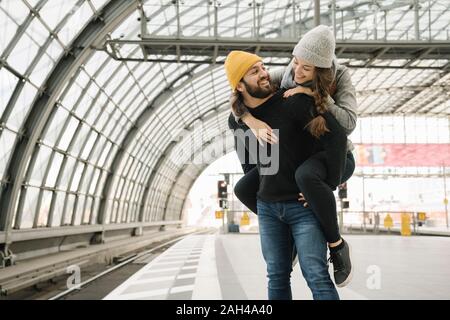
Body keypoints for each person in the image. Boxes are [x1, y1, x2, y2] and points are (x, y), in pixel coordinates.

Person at [231, 25, 356, 287]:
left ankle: (337, 246)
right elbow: (244, 90)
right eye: (295, 62)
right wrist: (249, 119)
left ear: (320, 71)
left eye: (305, 69)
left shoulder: (341, 76)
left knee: (306, 177)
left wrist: (315, 94)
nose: (296, 72)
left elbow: (347, 125)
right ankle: (287, 232)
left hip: (336, 156)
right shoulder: (289, 70)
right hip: (307, 157)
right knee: (244, 187)